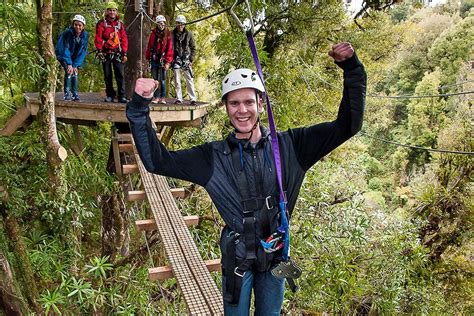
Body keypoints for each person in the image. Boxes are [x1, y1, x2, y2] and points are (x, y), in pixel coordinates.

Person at [126, 42, 366, 315]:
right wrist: (138, 108)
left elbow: (348, 125)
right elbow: (158, 161)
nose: (242, 110)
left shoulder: (291, 146)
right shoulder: (212, 157)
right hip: (238, 259)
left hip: (275, 255)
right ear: (226, 108)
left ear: (260, 104)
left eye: (249, 102)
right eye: (234, 103)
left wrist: (351, 69)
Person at [95, 1, 128, 103]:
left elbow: (124, 39)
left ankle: (122, 95)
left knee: (120, 75)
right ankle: (110, 95)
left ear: (116, 12)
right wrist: (99, 50)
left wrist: (124, 53)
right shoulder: (102, 23)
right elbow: (98, 38)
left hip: (117, 52)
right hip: (105, 53)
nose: (112, 12)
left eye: (114, 10)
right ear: (107, 11)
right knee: (107, 75)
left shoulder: (120, 24)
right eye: (110, 10)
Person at [55, 14, 89, 101]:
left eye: (80, 25)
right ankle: (67, 93)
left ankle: (75, 94)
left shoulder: (85, 36)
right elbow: (64, 49)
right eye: (76, 25)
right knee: (68, 71)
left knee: (75, 72)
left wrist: (75, 65)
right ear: (73, 25)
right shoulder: (67, 33)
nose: (77, 27)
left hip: (74, 57)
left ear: (83, 26)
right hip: (63, 55)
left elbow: (83, 51)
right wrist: (69, 64)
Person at [145, 15, 173, 104]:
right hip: (154, 59)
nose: (161, 25)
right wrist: (147, 57)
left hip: (163, 59)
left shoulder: (167, 34)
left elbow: (170, 49)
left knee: (163, 80)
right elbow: (149, 46)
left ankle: (163, 98)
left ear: (164, 23)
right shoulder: (153, 34)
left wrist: (168, 62)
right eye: (159, 23)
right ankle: (156, 97)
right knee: (155, 80)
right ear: (157, 24)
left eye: (162, 23)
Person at [172, 14, 197, 105]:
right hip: (176, 58)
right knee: (177, 79)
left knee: (189, 79)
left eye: (182, 24)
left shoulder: (189, 34)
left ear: (185, 24)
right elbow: (170, 47)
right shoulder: (172, 34)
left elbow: (193, 48)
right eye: (178, 23)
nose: (180, 25)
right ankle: (179, 98)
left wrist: (191, 59)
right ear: (176, 24)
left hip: (186, 59)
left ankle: (192, 98)